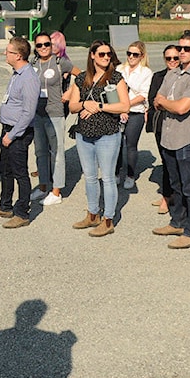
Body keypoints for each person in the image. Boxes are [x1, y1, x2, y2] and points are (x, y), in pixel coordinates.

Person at [152, 32, 190, 249]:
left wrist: (168, 102)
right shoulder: (173, 73)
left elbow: (182, 107)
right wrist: (169, 102)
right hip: (168, 136)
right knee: (175, 184)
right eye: (180, 48)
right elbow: (158, 99)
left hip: (188, 138)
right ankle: (177, 222)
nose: (182, 52)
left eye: (187, 49)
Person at [68, 41, 130, 238]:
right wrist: (86, 103)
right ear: (92, 55)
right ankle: (93, 213)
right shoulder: (81, 79)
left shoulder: (116, 78)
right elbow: (72, 106)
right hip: (84, 133)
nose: (106, 57)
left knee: (109, 178)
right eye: (102, 54)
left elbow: (124, 106)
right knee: (90, 176)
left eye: (109, 54)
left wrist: (99, 107)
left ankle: (108, 219)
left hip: (108, 134)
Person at [0, 36, 40, 229]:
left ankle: (22, 213)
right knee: (5, 169)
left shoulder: (29, 77)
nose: (4, 53)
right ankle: (5, 206)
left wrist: (12, 135)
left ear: (18, 55)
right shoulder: (17, 73)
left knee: (20, 172)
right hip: (8, 129)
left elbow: (28, 112)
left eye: (8, 51)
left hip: (18, 132)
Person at [30, 32, 75, 205]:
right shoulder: (32, 63)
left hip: (55, 112)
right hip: (37, 113)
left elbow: (81, 76)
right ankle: (43, 186)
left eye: (46, 44)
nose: (43, 48)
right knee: (40, 151)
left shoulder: (59, 62)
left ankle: (56, 192)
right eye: (39, 45)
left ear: (51, 45)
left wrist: (69, 92)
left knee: (57, 152)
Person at [147, 45, 181, 215]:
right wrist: (168, 103)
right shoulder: (158, 76)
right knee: (165, 160)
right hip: (160, 123)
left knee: (174, 162)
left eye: (176, 58)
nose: (173, 61)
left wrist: (166, 102)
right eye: (169, 58)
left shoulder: (184, 76)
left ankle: (169, 196)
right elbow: (153, 99)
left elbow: (183, 102)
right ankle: (168, 194)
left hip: (179, 124)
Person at [117, 41, 152, 191]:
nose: (131, 57)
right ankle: (116, 172)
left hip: (135, 111)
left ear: (141, 56)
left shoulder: (146, 73)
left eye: (135, 54)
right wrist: (120, 108)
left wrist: (126, 105)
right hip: (118, 111)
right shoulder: (120, 69)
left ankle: (130, 175)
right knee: (116, 143)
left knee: (130, 145)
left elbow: (143, 95)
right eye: (129, 53)